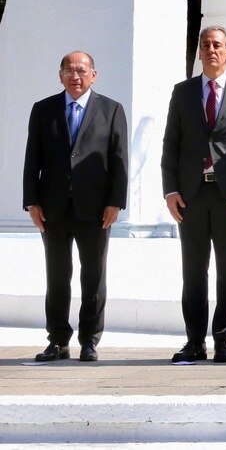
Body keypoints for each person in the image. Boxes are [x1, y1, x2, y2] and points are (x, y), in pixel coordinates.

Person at [161, 25, 226, 364]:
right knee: (193, 270)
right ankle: (194, 341)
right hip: (191, 195)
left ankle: (223, 339)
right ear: (200, 53)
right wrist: (171, 190)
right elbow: (171, 144)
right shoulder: (183, 92)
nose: (211, 50)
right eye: (206, 45)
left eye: (218, 45)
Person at [22, 51, 128, 362]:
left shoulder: (111, 110)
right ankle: (57, 340)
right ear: (60, 75)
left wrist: (115, 202)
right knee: (57, 275)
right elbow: (33, 159)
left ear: (94, 74)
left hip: (96, 209)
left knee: (93, 275)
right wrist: (32, 201)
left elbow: (119, 160)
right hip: (53, 208)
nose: (75, 76)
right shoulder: (43, 110)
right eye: (69, 70)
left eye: (81, 70)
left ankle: (89, 340)